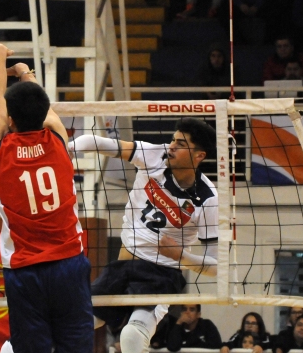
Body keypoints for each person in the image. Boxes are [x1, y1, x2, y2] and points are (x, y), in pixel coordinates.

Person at [68, 117, 218, 353]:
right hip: (122, 267)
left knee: (131, 337)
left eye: (181, 143)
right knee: (73, 325)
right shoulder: (154, 156)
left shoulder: (208, 199)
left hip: (161, 276)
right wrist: (69, 149)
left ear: (199, 155)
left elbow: (218, 266)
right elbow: (102, 143)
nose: (172, 146)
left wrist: (182, 256)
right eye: (172, 139)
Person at [0, 42, 93, 353]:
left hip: (24, 270)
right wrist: (23, 71)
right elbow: (41, 106)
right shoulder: (59, 140)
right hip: (68, 263)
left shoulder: (1, 150)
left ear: (10, 120)